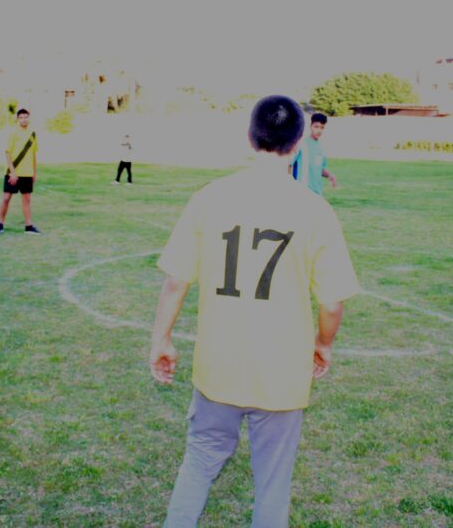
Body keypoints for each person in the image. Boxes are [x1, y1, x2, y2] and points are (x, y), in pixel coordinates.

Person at [149, 95, 360, 526]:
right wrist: (323, 344)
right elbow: (332, 302)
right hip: (282, 371)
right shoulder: (314, 210)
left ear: (249, 137)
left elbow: (175, 280)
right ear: (298, 144)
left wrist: (161, 339)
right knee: (273, 484)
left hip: (218, 365)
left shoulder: (210, 198)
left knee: (199, 463)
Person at [0, 108, 41, 235]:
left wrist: (34, 172)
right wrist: (12, 172)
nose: (24, 119)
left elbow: (33, 154)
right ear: (17, 119)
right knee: (6, 198)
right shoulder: (13, 132)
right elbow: (7, 152)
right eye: (21, 117)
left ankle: (28, 226)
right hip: (12, 172)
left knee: (27, 199)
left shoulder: (33, 134)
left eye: (26, 117)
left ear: (29, 118)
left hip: (27, 173)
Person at [289, 112, 337, 195]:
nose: (319, 130)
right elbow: (288, 164)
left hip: (317, 192)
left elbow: (319, 168)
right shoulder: (301, 144)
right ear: (310, 126)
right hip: (302, 191)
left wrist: (329, 175)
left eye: (322, 127)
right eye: (316, 127)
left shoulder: (321, 147)